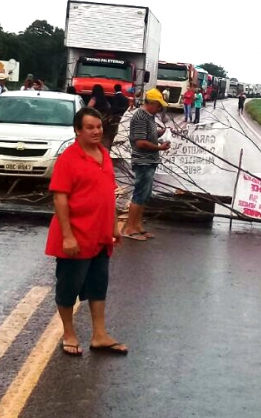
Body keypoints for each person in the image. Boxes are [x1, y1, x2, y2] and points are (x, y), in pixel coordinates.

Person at [45, 107, 127, 356]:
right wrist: (68, 236)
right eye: (89, 127)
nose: (96, 131)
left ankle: (99, 335)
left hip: (101, 237)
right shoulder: (68, 159)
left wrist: (114, 227)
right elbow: (60, 198)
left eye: (99, 127)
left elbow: (108, 195)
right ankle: (69, 333)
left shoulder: (103, 154)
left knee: (98, 286)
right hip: (76, 236)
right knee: (68, 287)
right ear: (77, 131)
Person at [122, 89, 170, 241]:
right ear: (151, 103)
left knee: (145, 195)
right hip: (143, 161)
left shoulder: (149, 116)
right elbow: (140, 142)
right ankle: (129, 228)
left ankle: (138, 226)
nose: (159, 109)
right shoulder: (140, 117)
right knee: (139, 194)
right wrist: (159, 148)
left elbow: (149, 135)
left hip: (150, 161)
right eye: (158, 105)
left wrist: (160, 134)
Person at [104, 84, 130, 151]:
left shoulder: (115, 97)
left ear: (114, 89)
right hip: (124, 117)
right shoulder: (125, 98)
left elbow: (114, 108)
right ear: (120, 89)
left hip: (115, 117)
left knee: (111, 132)